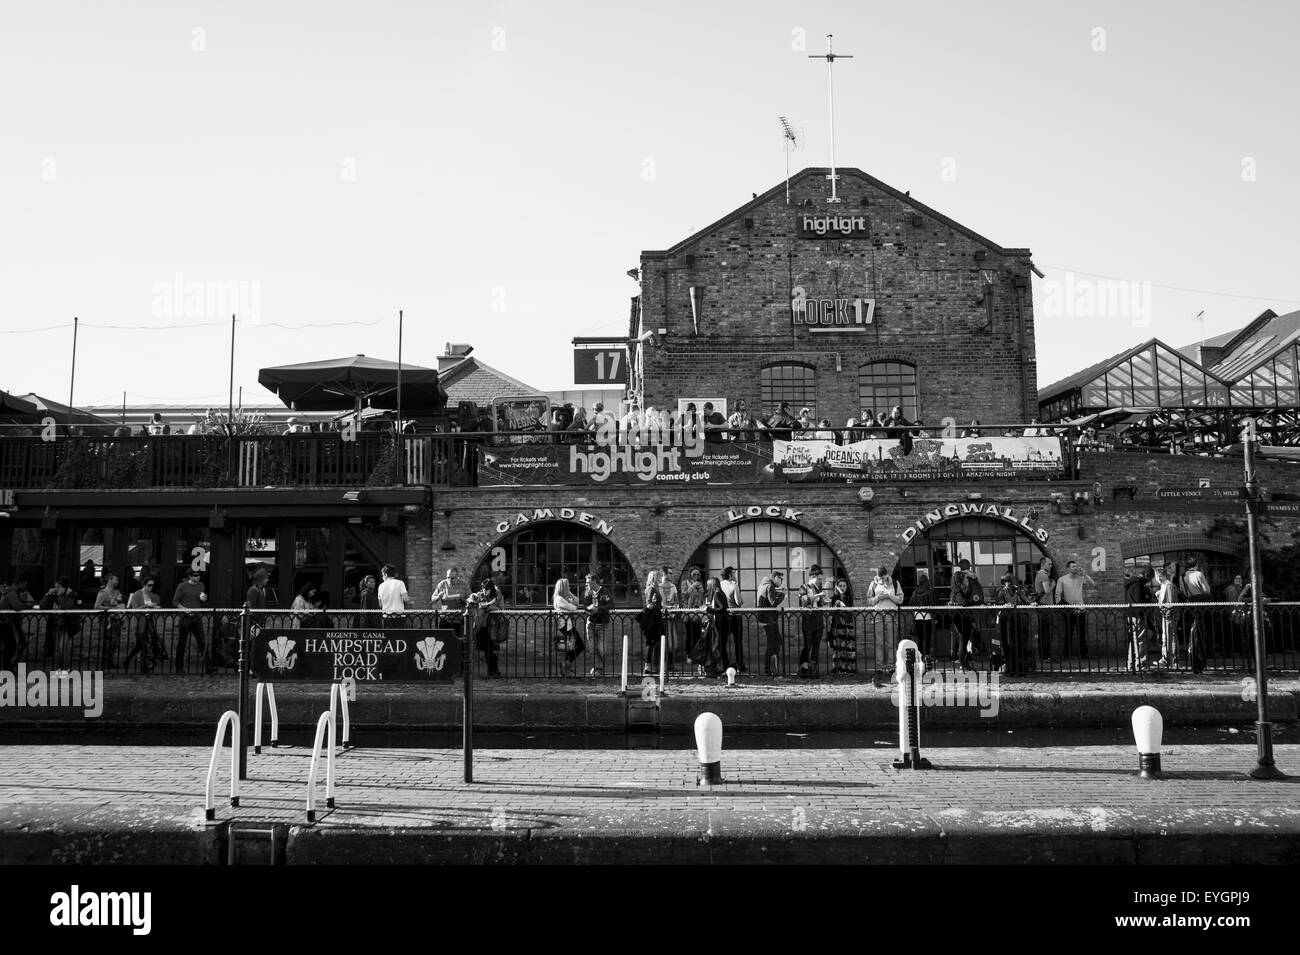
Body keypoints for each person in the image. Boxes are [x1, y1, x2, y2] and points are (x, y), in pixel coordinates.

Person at [173, 569, 213, 674]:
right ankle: (179, 668)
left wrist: (204, 599)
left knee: (202, 642)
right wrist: (184, 609)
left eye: (199, 575)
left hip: (196, 617)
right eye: (195, 575)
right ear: (190, 576)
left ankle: (208, 667)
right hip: (185, 617)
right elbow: (175, 601)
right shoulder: (182, 586)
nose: (197, 577)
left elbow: (202, 599)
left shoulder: (201, 585)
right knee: (182, 643)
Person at [1054, 560, 1094, 660]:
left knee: (1082, 632)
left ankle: (1084, 654)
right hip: (1069, 610)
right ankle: (1066, 654)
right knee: (1069, 632)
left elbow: (1093, 584)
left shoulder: (1080, 578)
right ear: (1068, 569)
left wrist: (1085, 574)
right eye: (1073, 567)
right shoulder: (1062, 579)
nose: (1075, 568)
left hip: (1080, 608)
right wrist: (1065, 607)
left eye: (1076, 566)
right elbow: (1057, 596)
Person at [949, 559, 985, 671]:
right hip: (961, 616)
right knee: (963, 640)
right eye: (965, 579)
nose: (967, 581)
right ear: (961, 580)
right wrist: (971, 603)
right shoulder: (957, 589)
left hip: (964, 615)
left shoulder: (958, 587)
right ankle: (963, 664)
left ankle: (964, 663)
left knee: (963, 640)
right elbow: (963, 602)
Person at [865, 566, 902, 673]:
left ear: (887, 575)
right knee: (879, 642)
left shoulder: (895, 583)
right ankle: (880, 666)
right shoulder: (873, 584)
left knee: (891, 642)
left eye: (884, 578)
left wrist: (891, 596)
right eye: (880, 578)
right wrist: (878, 598)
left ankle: (891, 666)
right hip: (878, 614)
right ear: (877, 576)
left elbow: (900, 599)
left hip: (891, 614)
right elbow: (869, 600)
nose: (882, 580)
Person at [124, 577, 165, 672]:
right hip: (139, 622)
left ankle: (141, 665)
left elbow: (155, 605)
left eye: (152, 585)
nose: (151, 587)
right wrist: (147, 605)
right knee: (142, 644)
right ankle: (140, 664)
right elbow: (134, 609)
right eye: (149, 585)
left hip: (149, 621)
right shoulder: (137, 595)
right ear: (144, 585)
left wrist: (155, 608)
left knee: (143, 644)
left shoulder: (153, 595)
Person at [994, 567, 1028, 674]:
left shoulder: (1018, 591)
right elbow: (998, 603)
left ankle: (1017, 665)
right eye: (1007, 581)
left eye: (1010, 581)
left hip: (1016, 617)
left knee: (1017, 641)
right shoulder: (1001, 592)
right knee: (1006, 642)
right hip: (1005, 619)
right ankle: (1008, 664)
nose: (1009, 583)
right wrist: (1005, 605)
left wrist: (1031, 603)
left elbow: (1025, 600)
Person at [467, 575, 502, 678]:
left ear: (491, 589)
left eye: (487, 590)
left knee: (490, 651)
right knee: (478, 649)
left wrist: (489, 606)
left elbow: (501, 609)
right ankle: (470, 673)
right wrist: (471, 600)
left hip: (492, 627)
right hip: (480, 625)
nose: (484, 592)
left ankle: (494, 672)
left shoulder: (498, 594)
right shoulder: (480, 594)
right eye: (483, 589)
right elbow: (470, 600)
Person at [694, 576, 730, 678]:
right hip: (722, 624)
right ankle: (724, 669)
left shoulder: (717, 594)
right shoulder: (719, 593)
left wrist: (709, 609)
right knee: (720, 647)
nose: (707, 587)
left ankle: (720, 669)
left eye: (708, 585)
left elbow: (723, 608)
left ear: (712, 585)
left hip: (720, 625)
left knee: (718, 647)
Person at [1182, 557, 1212, 672]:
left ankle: (1194, 660)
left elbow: (1184, 592)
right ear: (1196, 565)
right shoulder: (1199, 574)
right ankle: (1201, 660)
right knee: (1201, 634)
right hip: (1202, 607)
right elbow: (1207, 590)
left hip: (1190, 607)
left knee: (1192, 633)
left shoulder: (1183, 577)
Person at [552, 567, 583, 677]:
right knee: (579, 645)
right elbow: (574, 608)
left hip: (568, 624)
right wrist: (571, 601)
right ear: (563, 587)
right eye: (568, 586)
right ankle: (567, 664)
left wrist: (570, 593)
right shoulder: (559, 599)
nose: (569, 587)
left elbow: (577, 602)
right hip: (564, 625)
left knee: (571, 646)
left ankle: (565, 665)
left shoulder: (564, 597)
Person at [797, 565, 827, 678]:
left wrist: (824, 601)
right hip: (808, 620)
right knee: (807, 645)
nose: (820, 581)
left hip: (818, 620)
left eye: (821, 579)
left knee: (816, 646)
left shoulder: (819, 588)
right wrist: (818, 596)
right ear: (812, 577)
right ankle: (803, 668)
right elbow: (804, 601)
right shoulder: (803, 587)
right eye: (818, 579)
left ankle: (814, 670)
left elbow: (820, 603)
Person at [1, 575, 35, 671]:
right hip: (8, 623)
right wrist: (30, 605)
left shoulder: (10, 592)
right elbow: (18, 606)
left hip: (7, 622)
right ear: (20, 583)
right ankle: (9, 667)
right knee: (15, 644)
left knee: (11, 645)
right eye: (25, 583)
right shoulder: (12, 593)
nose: (26, 585)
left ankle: (8, 667)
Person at [1124, 567, 1155, 673]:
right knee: (1141, 640)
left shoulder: (1130, 583)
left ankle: (1131, 663)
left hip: (1130, 614)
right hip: (1138, 615)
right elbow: (1139, 602)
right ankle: (1141, 663)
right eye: (1150, 578)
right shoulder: (1138, 584)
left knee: (1133, 640)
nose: (1149, 581)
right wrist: (1148, 600)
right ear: (1146, 575)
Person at [757, 570, 786, 676]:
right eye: (781, 579)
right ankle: (768, 667)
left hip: (766, 618)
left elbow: (769, 599)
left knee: (776, 641)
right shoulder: (770, 586)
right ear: (776, 577)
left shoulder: (763, 585)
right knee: (773, 643)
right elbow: (773, 602)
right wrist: (782, 595)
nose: (781, 582)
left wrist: (777, 593)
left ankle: (771, 665)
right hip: (770, 619)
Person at [582, 571, 610, 677]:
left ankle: (599, 667)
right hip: (590, 623)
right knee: (592, 648)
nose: (586, 584)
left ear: (594, 581)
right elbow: (584, 606)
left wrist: (598, 609)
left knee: (602, 649)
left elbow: (612, 605)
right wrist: (588, 608)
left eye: (588, 581)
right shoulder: (587, 592)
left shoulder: (604, 591)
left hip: (602, 623)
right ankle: (598, 669)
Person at [719, 566, 746, 672]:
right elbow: (739, 602)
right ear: (730, 575)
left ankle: (724, 665)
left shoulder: (719, 585)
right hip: (735, 615)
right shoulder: (733, 586)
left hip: (723, 616)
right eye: (733, 573)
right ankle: (740, 665)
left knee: (723, 642)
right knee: (738, 642)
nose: (735, 575)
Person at [827, 577, 857, 674]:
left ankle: (849, 669)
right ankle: (838, 668)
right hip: (837, 625)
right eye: (840, 586)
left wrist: (841, 600)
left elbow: (848, 609)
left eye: (844, 586)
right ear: (836, 587)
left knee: (849, 647)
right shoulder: (833, 598)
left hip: (847, 624)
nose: (842, 587)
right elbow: (831, 613)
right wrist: (836, 605)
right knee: (838, 648)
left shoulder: (849, 597)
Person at [640, 569, 665, 675]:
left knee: (655, 641)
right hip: (652, 619)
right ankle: (648, 666)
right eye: (659, 576)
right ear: (654, 578)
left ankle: (653, 665)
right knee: (650, 642)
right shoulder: (651, 589)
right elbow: (649, 604)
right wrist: (656, 606)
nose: (660, 578)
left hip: (656, 617)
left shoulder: (655, 588)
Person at [432, 566, 470, 635]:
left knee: (458, 643)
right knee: (443, 641)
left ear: (457, 577)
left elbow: (470, 601)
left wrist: (462, 599)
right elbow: (432, 599)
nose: (449, 580)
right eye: (447, 577)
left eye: (452, 578)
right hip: (445, 618)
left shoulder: (464, 585)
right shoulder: (442, 584)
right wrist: (438, 596)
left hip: (458, 619)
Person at [679, 566, 705, 667]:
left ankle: (696, 656)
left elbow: (702, 598)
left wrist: (702, 591)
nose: (696, 576)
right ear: (690, 574)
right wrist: (693, 586)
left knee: (698, 634)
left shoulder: (700, 583)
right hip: (688, 612)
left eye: (698, 574)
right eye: (694, 574)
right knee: (690, 634)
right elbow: (684, 595)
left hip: (698, 612)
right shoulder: (685, 583)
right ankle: (689, 655)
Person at [1154, 565, 1178, 667]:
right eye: (1158, 576)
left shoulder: (1169, 586)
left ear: (1164, 576)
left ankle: (1170, 659)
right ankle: (1166, 658)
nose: (1159, 578)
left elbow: (1171, 602)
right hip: (1166, 615)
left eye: (1160, 576)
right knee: (1166, 637)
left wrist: (1167, 613)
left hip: (1169, 615)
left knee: (1169, 637)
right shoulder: (1164, 585)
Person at [657, 564, 680, 669]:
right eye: (670, 573)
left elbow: (677, 601)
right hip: (660, 618)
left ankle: (670, 664)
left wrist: (674, 607)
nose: (671, 575)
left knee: (673, 643)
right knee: (661, 642)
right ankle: (661, 665)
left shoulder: (673, 586)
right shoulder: (658, 587)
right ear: (664, 574)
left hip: (670, 617)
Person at [1033, 557, 1055, 664]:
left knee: (1043, 631)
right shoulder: (1043, 575)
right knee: (1046, 632)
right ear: (1043, 564)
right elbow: (1047, 590)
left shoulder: (1038, 575)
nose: (1051, 566)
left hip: (1042, 606)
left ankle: (1043, 655)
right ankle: (1046, 656)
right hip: (1045, 606)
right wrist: (1053, 584)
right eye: (1049, 564)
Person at [910, 570, 935, 662]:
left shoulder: (915, 592)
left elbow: (911, 604)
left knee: (920, 638)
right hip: (927, 616)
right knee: (927, 637)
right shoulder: (929, 591)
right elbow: (933, 604)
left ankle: (920, 655)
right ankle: (927, 655)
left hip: (917, 616)